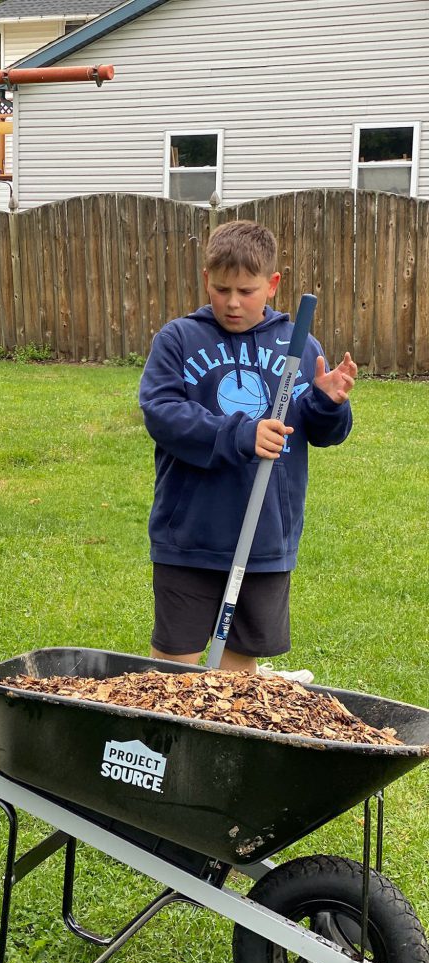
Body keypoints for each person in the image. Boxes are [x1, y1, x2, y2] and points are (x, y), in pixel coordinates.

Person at [139, 220, 357, 679]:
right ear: (205, 279)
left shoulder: (296, 344)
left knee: (238, 680)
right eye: (221, 289)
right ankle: (168, 749)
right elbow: (161, 413)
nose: (233, 302)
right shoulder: (178, 340)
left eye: (246, 290)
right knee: (172, 676)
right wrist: (239, 435)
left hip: (263, 538)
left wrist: (327, 402)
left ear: (273, 284)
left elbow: (320, 432)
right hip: (190, 539)